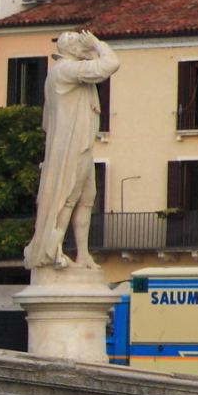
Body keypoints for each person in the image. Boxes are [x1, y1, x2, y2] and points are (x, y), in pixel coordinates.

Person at [24, 29, 123, 274]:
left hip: (81, 143)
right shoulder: (67, 69)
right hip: (71, 143)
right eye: (80, 45)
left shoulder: (65, 71)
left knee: (86, 198)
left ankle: (83, 254)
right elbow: (110, 64)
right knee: (67, 195)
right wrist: (98, 44)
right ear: (70, 49)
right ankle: (52, 250)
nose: (84, 48)